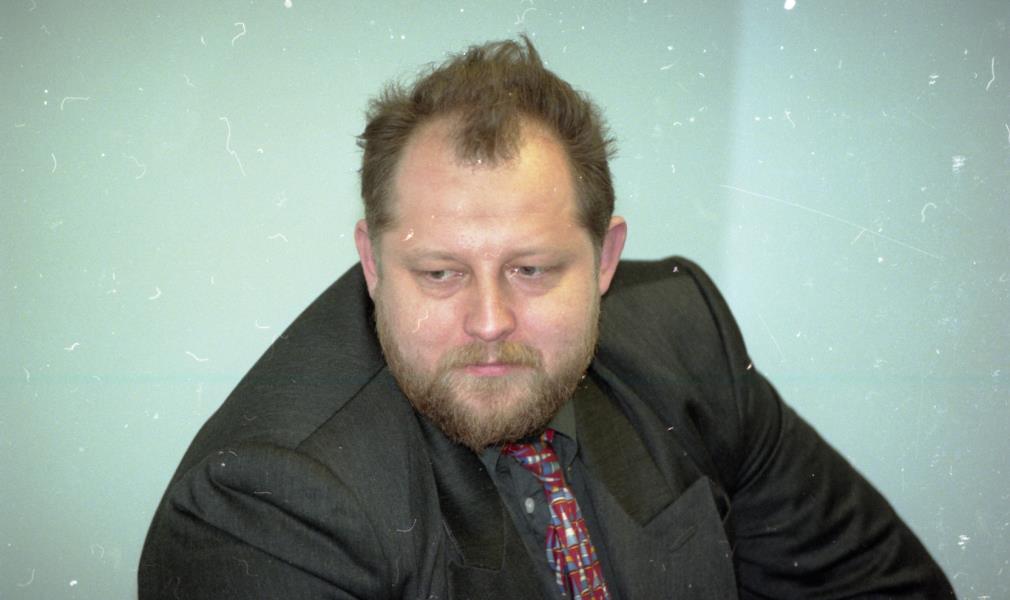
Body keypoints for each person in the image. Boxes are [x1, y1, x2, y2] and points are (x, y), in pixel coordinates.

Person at [139, 37, 954, 599]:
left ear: (605, 261)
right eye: (440, 273)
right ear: (373, 265)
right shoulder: (266, 505)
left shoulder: (682, 339)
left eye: (531, 270)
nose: (489, 321)